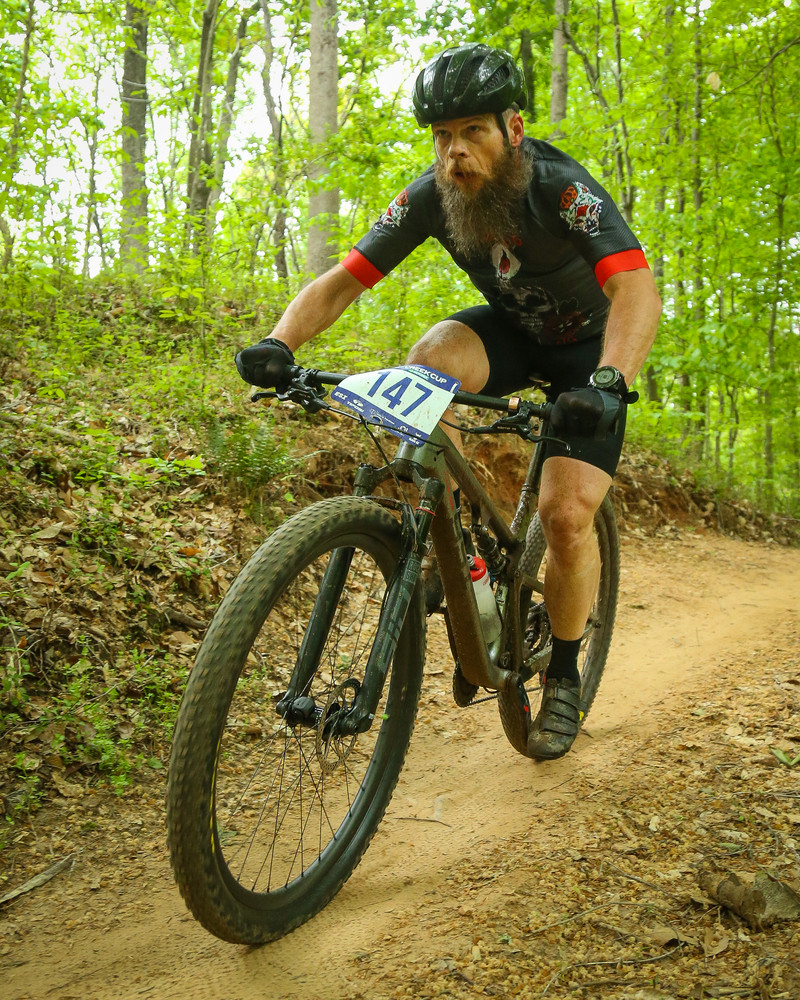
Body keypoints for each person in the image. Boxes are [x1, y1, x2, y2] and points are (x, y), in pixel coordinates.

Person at [235, 42, 662, 761]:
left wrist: (609, 382)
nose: (454, 151)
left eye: (472, 132)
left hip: (589, 352)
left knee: (564, 517)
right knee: (430, 359)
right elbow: (344, 280)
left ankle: (563, 674)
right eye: (442, 136)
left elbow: (636, 290)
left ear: (513, 130)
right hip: (514, 334)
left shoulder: (562, 189)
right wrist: (280, 343)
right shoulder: (433, 196)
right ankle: (460, 552)